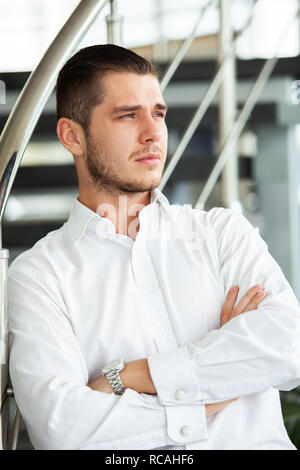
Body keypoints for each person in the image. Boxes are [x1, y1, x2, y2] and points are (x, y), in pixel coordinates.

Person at [8, 44, 300, 451]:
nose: (152, 133)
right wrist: (218, 393)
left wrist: (129, 376)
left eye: (158, 113)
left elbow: (288, 346)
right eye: (128, 115)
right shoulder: (40, 275)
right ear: (71, 136)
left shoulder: (222, 233)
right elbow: (64, 430)